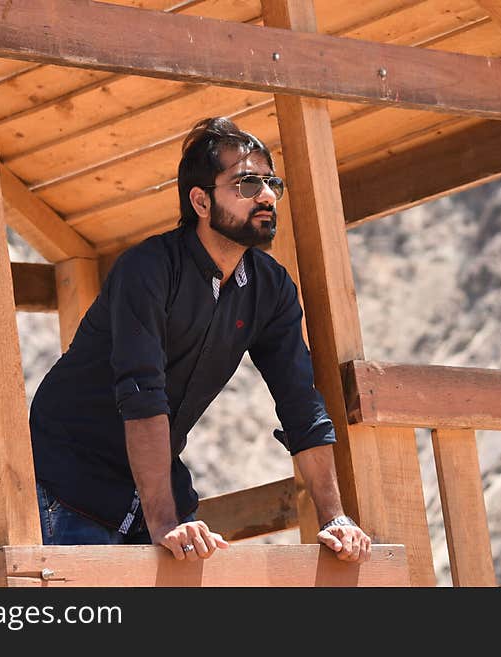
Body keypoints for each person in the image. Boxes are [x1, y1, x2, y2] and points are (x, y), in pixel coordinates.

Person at [29, 117, 371, 563]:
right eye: (246, 184)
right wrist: (167, 525)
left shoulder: (271, 288)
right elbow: (142, 395)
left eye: (271, 183)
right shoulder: (148, 270)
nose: (266, 195)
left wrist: (334, 518)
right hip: (72, 477)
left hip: (152, 483)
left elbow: (300, 404)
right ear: (201, 201)